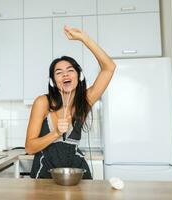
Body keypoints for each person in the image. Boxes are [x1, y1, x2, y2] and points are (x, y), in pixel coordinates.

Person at [25, 25, 116, 179]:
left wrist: (84, 38)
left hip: (76, 172)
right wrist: (55, 133)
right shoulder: (43, 103)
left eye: (70, 70)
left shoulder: (85, 101)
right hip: (45, 173)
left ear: (79, 76)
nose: (65, 74)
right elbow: (30, 148)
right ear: (53, 81)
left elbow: (109, 67)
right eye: (59, 73)